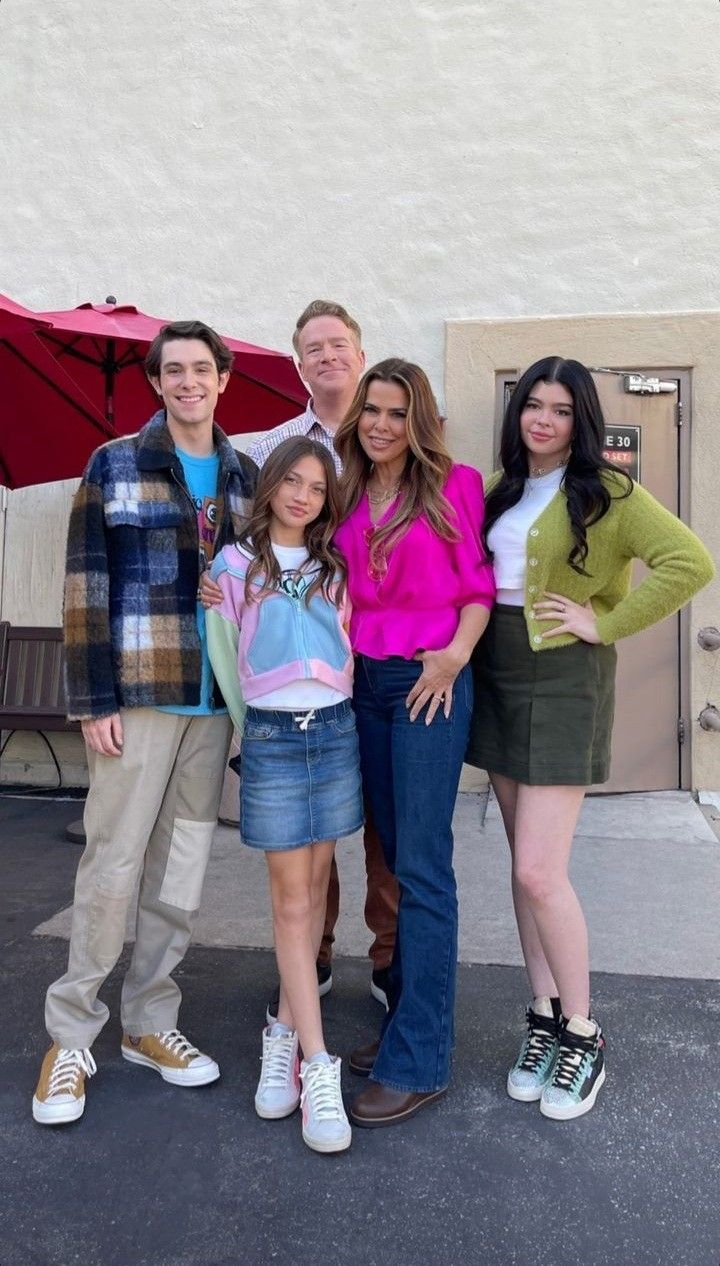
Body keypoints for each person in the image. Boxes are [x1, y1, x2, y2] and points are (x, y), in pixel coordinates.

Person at [466, 355, 715, 1121]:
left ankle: (583, 1032)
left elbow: (689, 562)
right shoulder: (501, 487)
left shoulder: (607, 490)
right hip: (498, 672)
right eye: (532, 406)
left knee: (544, 872)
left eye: (560, 410)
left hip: (564, 681)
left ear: (582, 421)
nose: (543, 419)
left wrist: (603, 622)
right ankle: (540, 1016)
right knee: (520, 867)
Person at [32, 321, 258, 1126]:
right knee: (113, 865)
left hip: (212, 709)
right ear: (157, 383)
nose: (190, 382)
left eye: (203, 369)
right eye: (174, 371)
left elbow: (257, 592)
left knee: (181, 874)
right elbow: (84, 585)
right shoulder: (114, 463)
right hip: (137, 700)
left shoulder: (245, 476)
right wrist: (91, 699)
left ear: (222, 379)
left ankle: (150, 1023)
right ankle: (71, 1034)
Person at [333, 358, 496, 1128]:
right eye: (373, 409)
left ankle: (421, 1057)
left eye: (398, 412)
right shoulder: (344, 490)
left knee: (424, 866)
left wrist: (458, 656)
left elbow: (476, 587)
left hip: (431, 678)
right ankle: (404, 1021)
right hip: (364, 684)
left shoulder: (455, 485)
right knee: (394, 857)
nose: (382, 424)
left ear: (419, 419)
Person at [206, 436, 363, 1153]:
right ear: (269, 485)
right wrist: (254, 732)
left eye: (317, 488)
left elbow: (349, 643)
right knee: (291, 900)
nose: (303, 496)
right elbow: (223, 655)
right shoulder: (233, 567)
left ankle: (282, 1030)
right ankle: (317, 1064)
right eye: (291, 482)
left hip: (334, 733)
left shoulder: (335, 565)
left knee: (319, 885)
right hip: (272, 737)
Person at [247, 300, 399, 1014]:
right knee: (314, 817)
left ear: (359, 352)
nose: (328, 356)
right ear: (299, 361)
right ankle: (314, 949)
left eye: (339, 343)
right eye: (314, 347)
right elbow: (250, 551)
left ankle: (390, 952)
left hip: (384, 648)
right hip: (310, 660)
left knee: (384, 811)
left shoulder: (388, 434)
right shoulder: (275, 444)